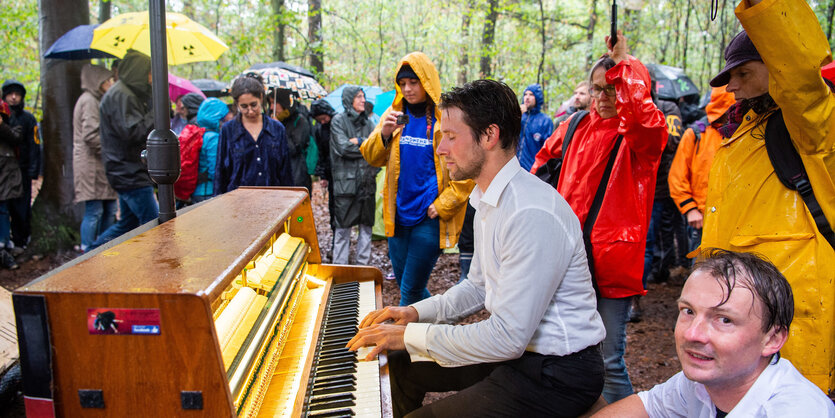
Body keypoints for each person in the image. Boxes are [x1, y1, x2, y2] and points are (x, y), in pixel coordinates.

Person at [348, 79, 606, 417]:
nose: (441, 149)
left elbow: (508, 337)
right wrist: (415, 313)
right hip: (519, 354)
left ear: (489, 136)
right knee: (398, 362)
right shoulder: (487, 197)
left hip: (556, 372)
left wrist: (412, 334)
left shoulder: (530, 211)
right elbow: (478, 286)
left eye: (451, 137)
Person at [702, 0, 835, 392]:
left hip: (795, 314)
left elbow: (801, 79)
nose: (733, 86)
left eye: (743, 72)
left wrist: (763, 6)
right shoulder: (742, 132)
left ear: (775, 67)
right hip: (739, 313)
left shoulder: (811, 127)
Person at [531, 32, 667, 403]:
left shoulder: (641, 136)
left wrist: (625, 66)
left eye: (612, 89)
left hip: (611, 265)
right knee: (560, 353)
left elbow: (642, 117)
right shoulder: (574, 126)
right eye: (597, 89)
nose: (603, 98)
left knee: (609, 362)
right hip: (565, 261)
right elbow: (539, 170)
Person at [594, 249, 835, 417]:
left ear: (772, 339)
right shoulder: (703, 383)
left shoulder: (795, 410)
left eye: (724, 319)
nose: (692, 334)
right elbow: (647, 406)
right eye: (688, 311)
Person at [360, 52, 473, 306]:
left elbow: (467, 170)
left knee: (409, 290)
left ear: (427, 81)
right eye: (402, 84)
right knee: (408, 286)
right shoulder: (394, 114)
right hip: (397, 215)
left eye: (414, 82)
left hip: (429, 217)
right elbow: (371, 156)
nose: (408, 89)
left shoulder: (449, 118)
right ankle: (442, 325)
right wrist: (385, 134)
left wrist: (441, 205)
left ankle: (401, 343)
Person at [89, 50, 159, 251]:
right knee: (153, 223)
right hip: (128, 172)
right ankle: (90, 256)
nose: (151, 78)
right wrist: (156, 111)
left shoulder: (125, 93)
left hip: (126, 169)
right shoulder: (122, 95)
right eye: (149, 73)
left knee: (127, 224)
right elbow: (133, 132)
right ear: (139, 72)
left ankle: (90, 256)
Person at [668, 87, 735, 254]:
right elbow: (677, 176)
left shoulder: (746, 132)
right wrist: (690, 209)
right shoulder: (696, 134)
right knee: (703, 271)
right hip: (702, 221)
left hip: (736, 221)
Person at [215, 74, 293, 195]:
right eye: (244, 107)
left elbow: (285, 172)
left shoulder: (277, 129)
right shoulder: (228, 130)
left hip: (273, 200)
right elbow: (221, 172)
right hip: (237, 203)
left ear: (261, 98)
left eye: (253, 105)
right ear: (237, 104)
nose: (250, 111)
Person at [329, 86, 378, 265]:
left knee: (366, 228)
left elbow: (375, 149)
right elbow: (343, 148)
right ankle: (340, 268)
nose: (363, 100)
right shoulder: (338, 121)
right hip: (345, 186)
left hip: (367, 183)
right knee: (342, 229)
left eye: (364, 97)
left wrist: (359, 142)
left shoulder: (369, 124)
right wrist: (365, 146)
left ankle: (362, 268)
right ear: (349, 99)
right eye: (359, 97)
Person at [72, 64, 117, 252]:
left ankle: (102, 248)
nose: (111, 83)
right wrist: (111, 151)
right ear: (97, 82)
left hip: (100, 164)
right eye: (107, 80)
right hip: (91, 164)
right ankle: (87, 250)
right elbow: (90, 135)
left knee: (109, 209)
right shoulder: (89, 100)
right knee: (95, 211)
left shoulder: (98, 100)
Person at [2, 79, 40, 254]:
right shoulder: (4, 118)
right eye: (10, 94)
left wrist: (34, 168)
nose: (14, 98)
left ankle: (21, 240)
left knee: (21, 207)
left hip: (22, 169)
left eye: (17, 94)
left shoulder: (28, 119)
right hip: (4, 170)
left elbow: (34, 145)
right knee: (4, 206)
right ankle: (6, 240)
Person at [270, 89, 312, 191]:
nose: (271, 107)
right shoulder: (271, 121)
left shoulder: (300, 121)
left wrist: (279, 128)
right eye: (270, 103)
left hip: (296, 176)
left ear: (283, 103)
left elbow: (292, 149)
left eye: (274, 103)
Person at [310, 98, 337, 256]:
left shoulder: (338, 122)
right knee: (332, 209)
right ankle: (335, 242)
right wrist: (323, 175)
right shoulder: (319, 129)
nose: (323, 120)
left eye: (323, 117)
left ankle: (341, 243)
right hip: (330, 172)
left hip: (341, 172)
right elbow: (321, 153)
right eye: (319, 119)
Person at [191, 98, 230, 203]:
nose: (227, 117)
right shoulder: (213, 138)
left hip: (197, 191)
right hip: (207, 192)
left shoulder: (200, 133)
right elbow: (215, 169)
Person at [0, 100, 21, 269]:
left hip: (5, 172)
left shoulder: (10, 116)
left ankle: (4, 246)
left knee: (3, 209)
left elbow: (16, 138)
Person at [516, 83, 554, 171]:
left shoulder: (545, 121)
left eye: (531, 94)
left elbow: (547, 150)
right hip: (514, 169)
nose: (527, 97)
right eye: (525, 94)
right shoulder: (519, 116)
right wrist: (516, 115)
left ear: (537, 97)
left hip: (532, 170)